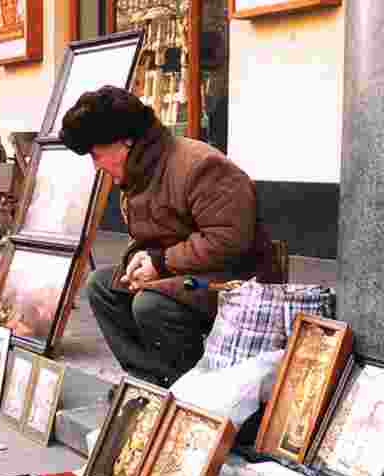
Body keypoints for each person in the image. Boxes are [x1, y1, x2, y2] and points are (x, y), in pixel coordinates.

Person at [59, 86, 281, 387]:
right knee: (102, 286)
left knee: (151, 304)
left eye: (97, 155)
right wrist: (137, 265)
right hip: (184, 274)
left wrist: (160, 263)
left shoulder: (200, 165)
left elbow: (229, 240)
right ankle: (153, 379)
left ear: (125, 142)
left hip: (233, 281)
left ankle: (190, 390)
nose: (96, 165)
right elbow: (150, 238)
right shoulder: (140, 172)